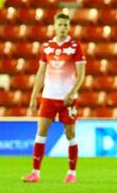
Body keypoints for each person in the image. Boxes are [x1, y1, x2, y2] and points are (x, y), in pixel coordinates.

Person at [21, 12, 86, 183]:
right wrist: (35, 94)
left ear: (69, 27)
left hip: (68, 98)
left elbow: (81, 74)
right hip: (49, 97)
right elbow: (41, 72)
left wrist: (72, 92)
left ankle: (72, 173)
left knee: (70, 134)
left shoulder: (75, 46)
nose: (63, 28)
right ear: (54, 26)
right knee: (41, 132)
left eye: (66, 25)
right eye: (60, 24)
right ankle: (35, 172)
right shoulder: (46, 47)